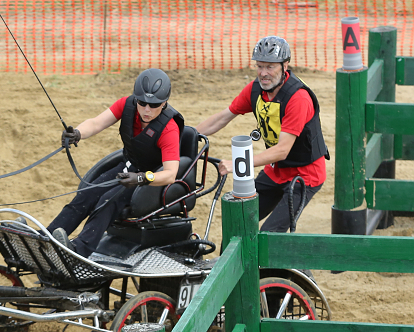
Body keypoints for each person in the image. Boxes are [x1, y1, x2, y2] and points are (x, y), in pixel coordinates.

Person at [196, 36, 329, 232]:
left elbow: (282, 150)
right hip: (275, 171)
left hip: (305, 176)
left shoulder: (298, 98)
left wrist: (238, 164)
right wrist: (187, 136)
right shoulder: (255, 90)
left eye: (270, 67)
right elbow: (223, 117)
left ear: (285, 65)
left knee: (269, 236)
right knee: (238, 223)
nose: (263, 73)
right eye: (259, 66)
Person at [46, 68, 183, 258]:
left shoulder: (169, 129)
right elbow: (96, 123)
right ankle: (48, 239)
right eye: (142, 103)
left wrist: (142, 178)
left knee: (108, 200)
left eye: (154, 105)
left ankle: (78, 250)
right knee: (88, 192)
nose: (147, 110)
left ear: (164, 103)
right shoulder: (126, 105)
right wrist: (77, 133)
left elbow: (170, 174)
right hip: (129, 167)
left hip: (149, 182)